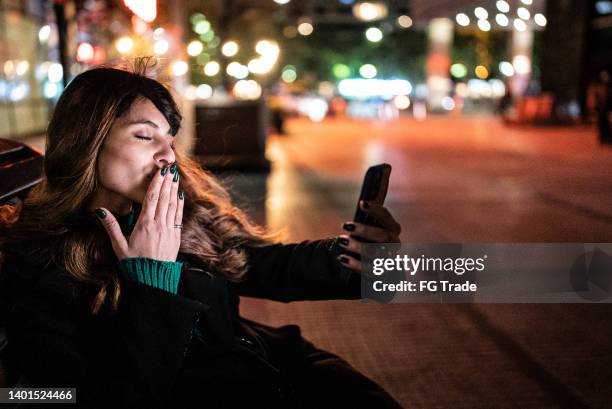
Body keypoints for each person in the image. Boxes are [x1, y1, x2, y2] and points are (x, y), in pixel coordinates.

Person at [0, 58, 403, 408]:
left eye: (169, 140)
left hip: (272, 367)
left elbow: (258, 264)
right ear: (86, 141)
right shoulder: (35, 260)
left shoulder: (180, 211)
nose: (167, 156)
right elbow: (78, 397)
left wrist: (357, 259)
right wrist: (150, 283)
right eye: (145, 136)